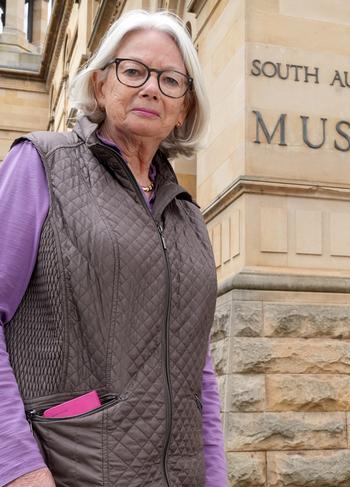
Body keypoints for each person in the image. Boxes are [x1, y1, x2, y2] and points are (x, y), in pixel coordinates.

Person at [0, 10, 227, 486]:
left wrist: (216, 477)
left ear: (184, 107)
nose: (150, 88)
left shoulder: (188, 215)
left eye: (170, 80)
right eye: (133, 71)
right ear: (101, 84)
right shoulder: (41, 164)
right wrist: (17, 466)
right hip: (68, 469)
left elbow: (197, 370)